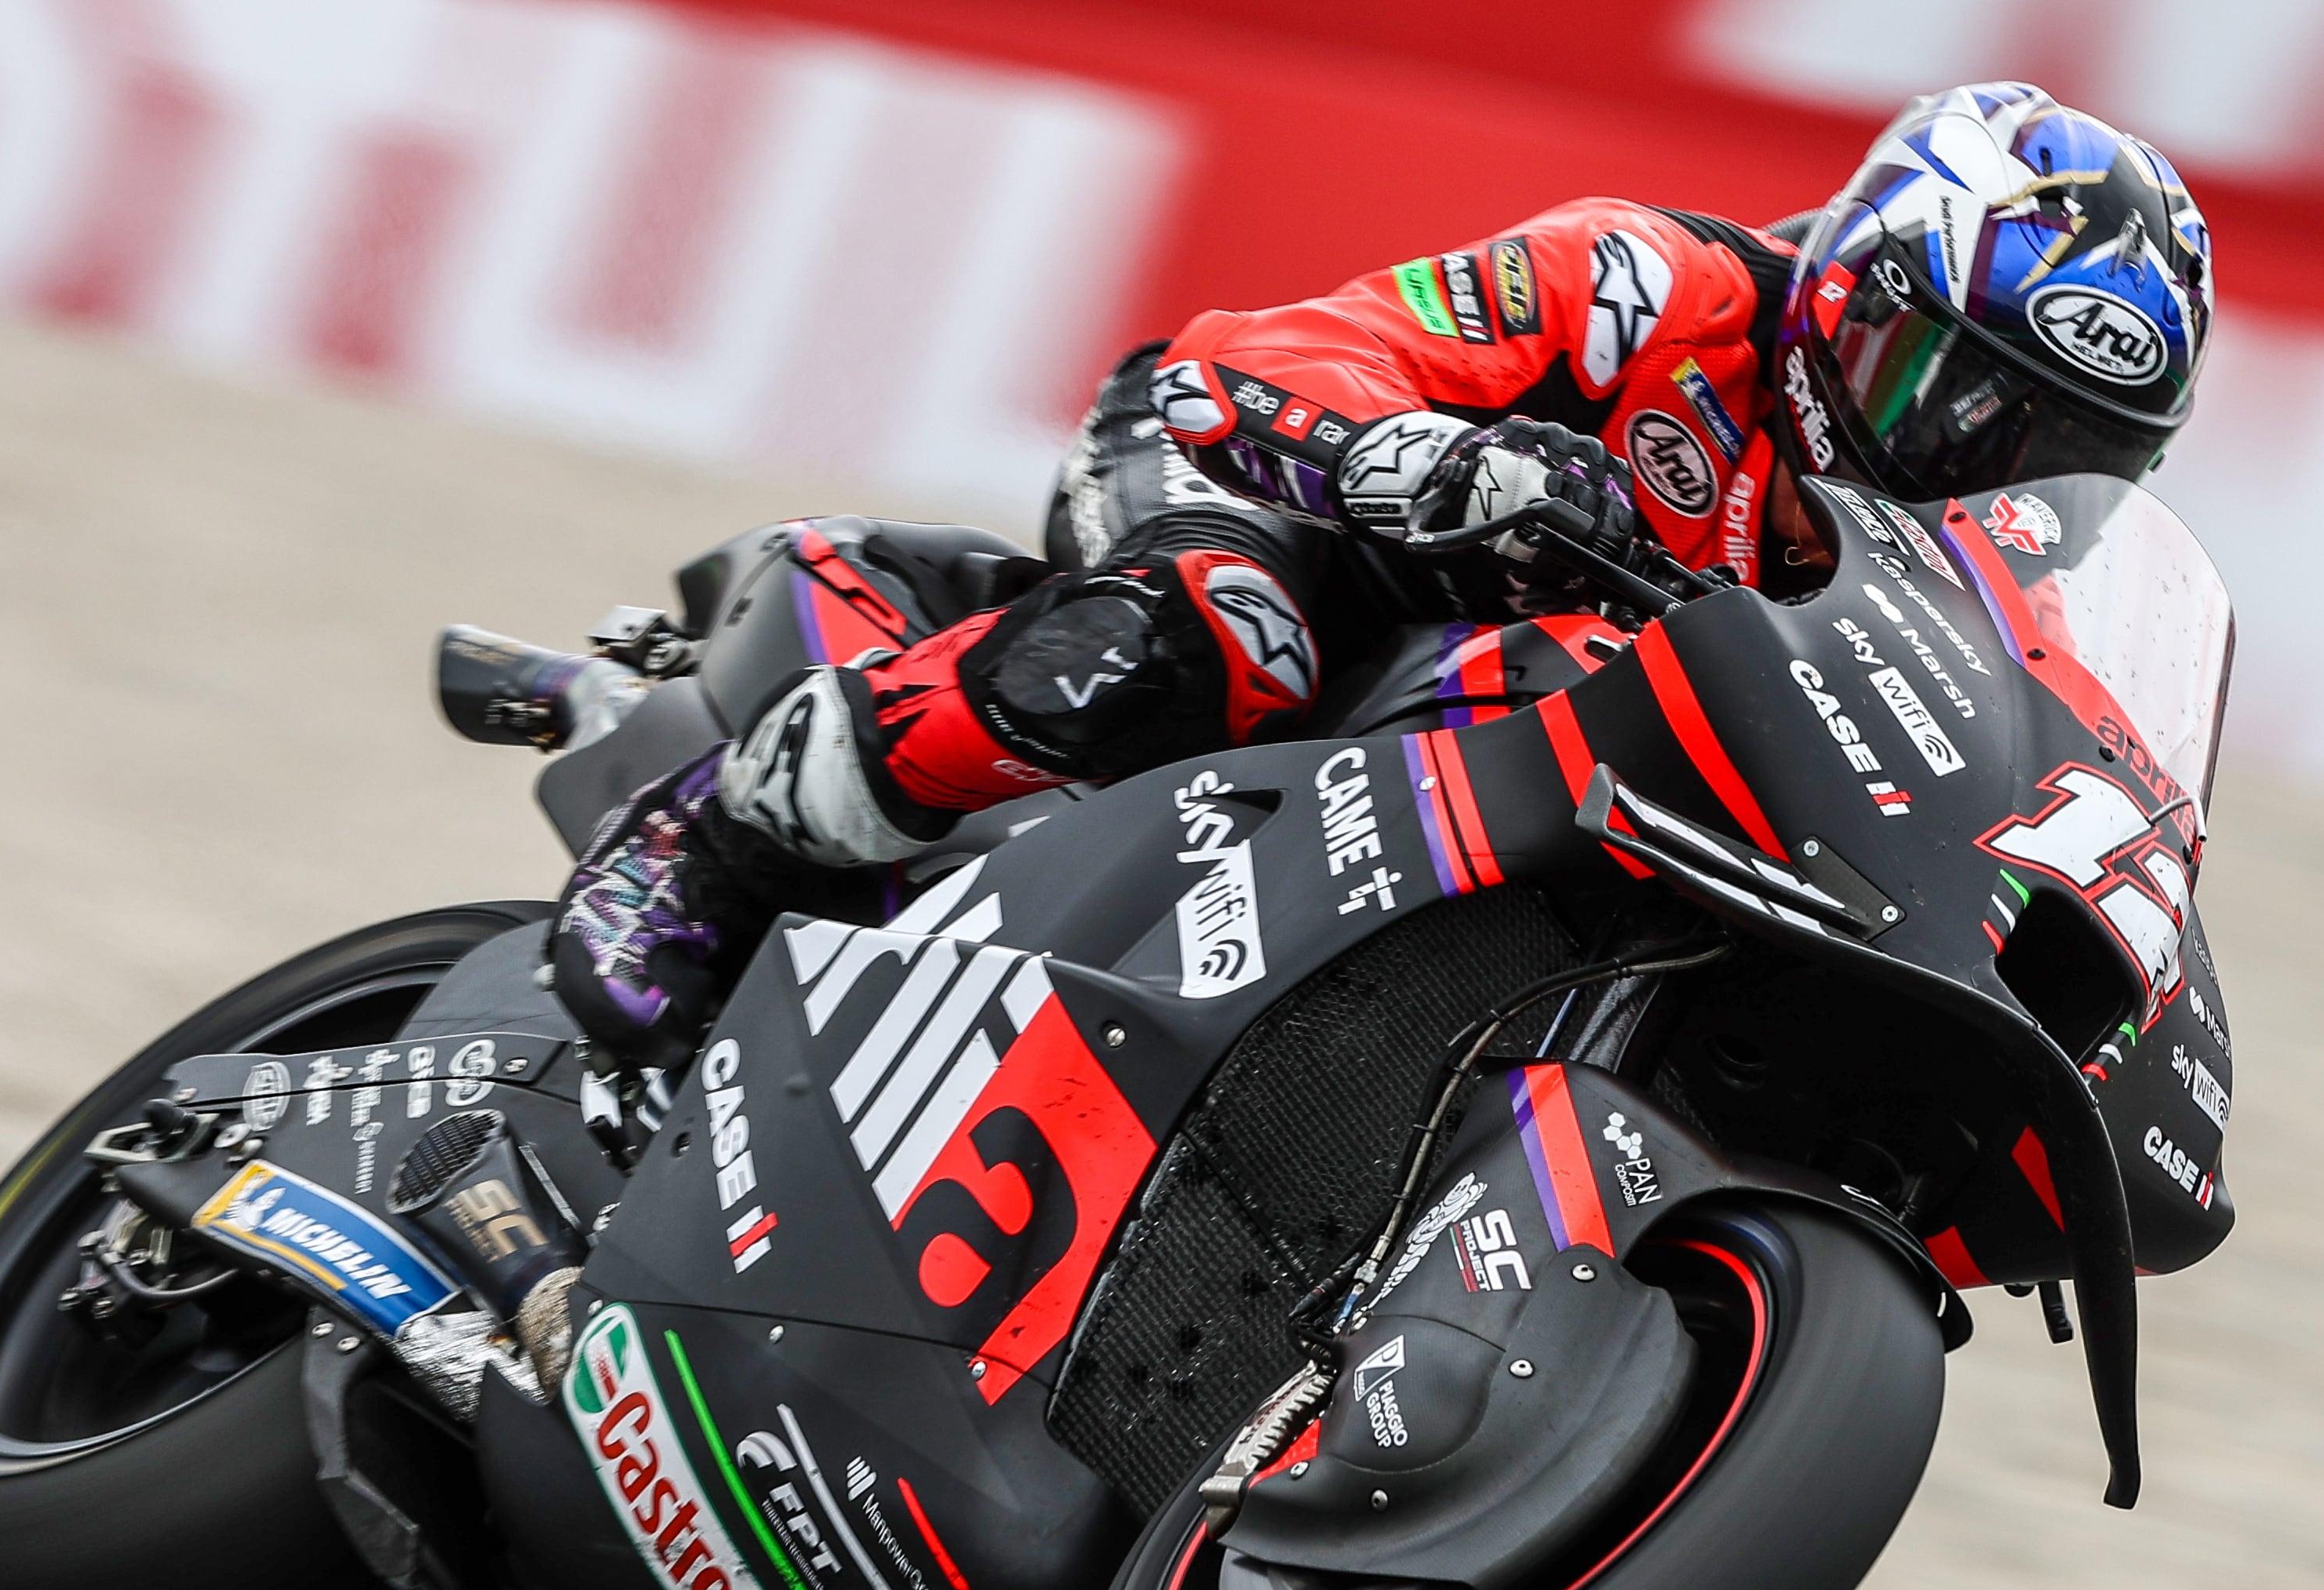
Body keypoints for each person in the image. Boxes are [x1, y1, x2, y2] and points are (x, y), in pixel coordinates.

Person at [554, 80, 2216, 1067]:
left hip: (1519, 707)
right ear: (1855, 278)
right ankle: (712, 842)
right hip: (1264, 493)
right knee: (1226, 640)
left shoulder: (1955, 587)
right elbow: (1262, 356)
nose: (1976, 464)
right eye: (1960, 395)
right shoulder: (1651, 283)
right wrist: (1408, 459)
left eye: (2048, 450)